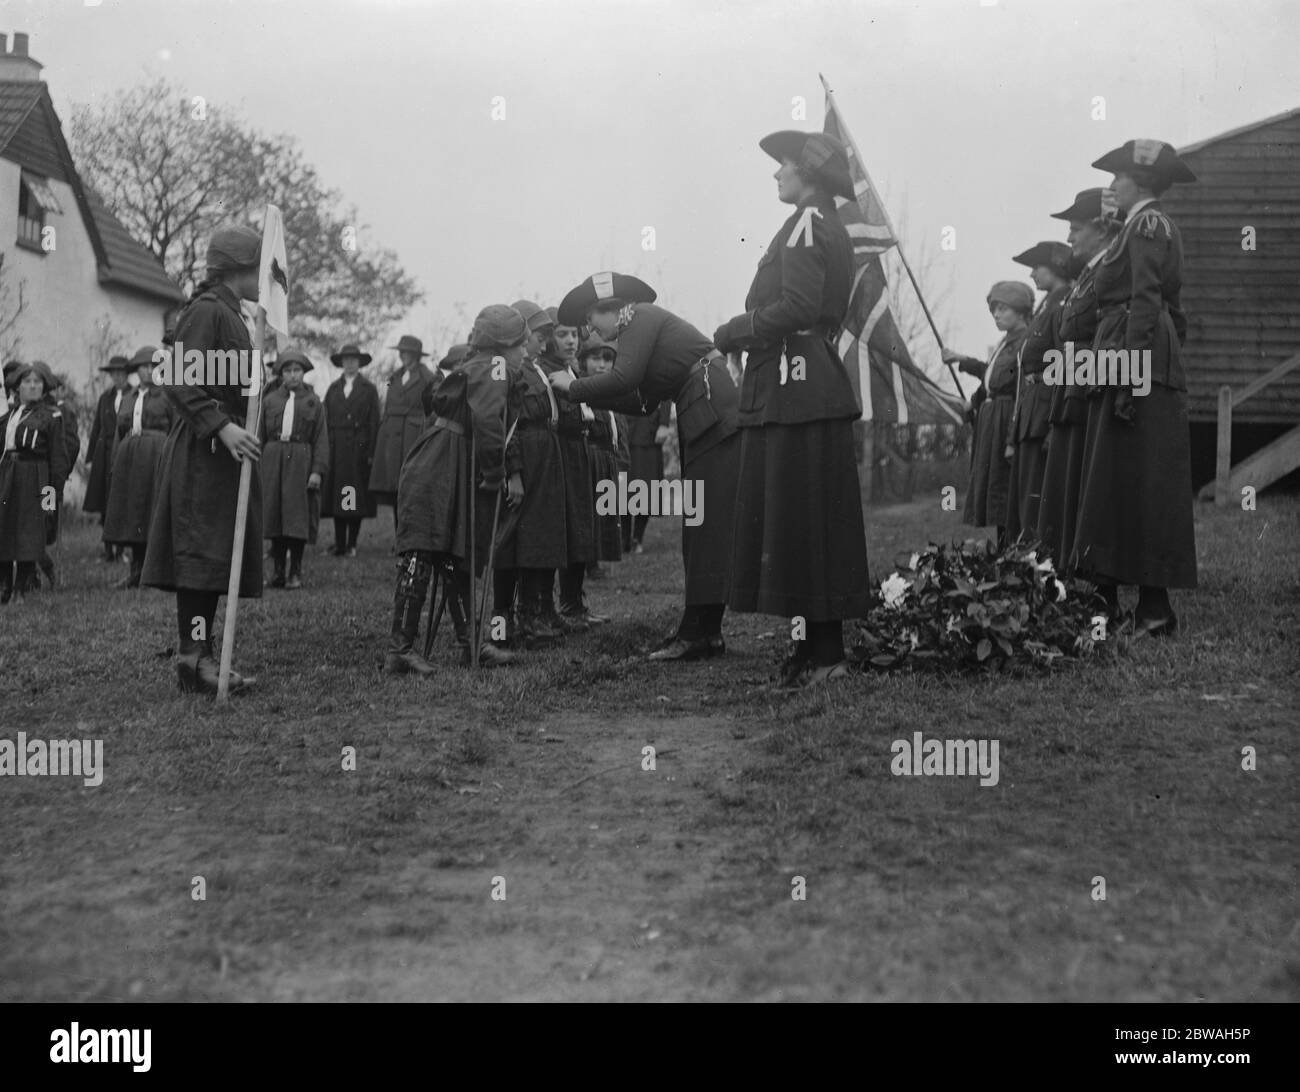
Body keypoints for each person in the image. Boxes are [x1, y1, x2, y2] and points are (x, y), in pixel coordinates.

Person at [713, 128, 869, 688]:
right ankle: (811, 649)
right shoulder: (823, 224)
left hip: (795, 382)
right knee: (799, 520)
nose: (776, 173)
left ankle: (826, 654)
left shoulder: (805, 224)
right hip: (801, 380)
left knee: (805, 519)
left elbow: (799, 304)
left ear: (808, 173)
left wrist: (733, 330)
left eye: (784, 165)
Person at [552, 273, 741, 662]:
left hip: (708, 407)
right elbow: (643, 403)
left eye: (592, 321)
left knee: (705, 524)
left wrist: (573, 389)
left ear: (611, 308)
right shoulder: (639, 327)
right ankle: (704, 630)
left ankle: (697, 633)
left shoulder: (641, 316)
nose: (593, 333)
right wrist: (590, 398)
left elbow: (626, 378)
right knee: (702, 523)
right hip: (702, 407)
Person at [1071, 139, 1198, 637]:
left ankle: (1154, 609)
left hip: (1132, 354)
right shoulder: (1135, 228)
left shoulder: (1146, 225)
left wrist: (1131, 376)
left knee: (1143, 480)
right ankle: (1138, 604)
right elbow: (1172, 311)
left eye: (1117, 179)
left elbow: (1147, 302)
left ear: (1139, 182)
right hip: (1129, 351)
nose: (1111, 186)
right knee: (1121, 477)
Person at [141, 223, 264, 695]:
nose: (264, 279)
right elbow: (176, 378)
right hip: (203, 448)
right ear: (238, 269)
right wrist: (223, 426)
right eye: (259, 268)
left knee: (214, 557)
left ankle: (203, 656)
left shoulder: (237, 316)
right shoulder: (208, 311)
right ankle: (194, 657)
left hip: (225, 451)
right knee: (199, 556)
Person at [384, 306, 524, 674]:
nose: (525, 352)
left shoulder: (478, 362)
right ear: (504, 344)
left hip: (446, 459)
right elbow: (489, 421)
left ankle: (472, 645)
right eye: (520, 344)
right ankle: (400, 649)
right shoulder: (494, 366)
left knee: (454, 555)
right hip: (439, 464)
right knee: (424, 551)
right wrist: (495, 473)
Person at [1037, 189, 1119, 564]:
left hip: (1090, 386)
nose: (1069, 237)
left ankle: (1090, 574)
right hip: (1070, 387)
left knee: (1086, 483)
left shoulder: (1111, 272)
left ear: (1102, 230)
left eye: (1076, 228)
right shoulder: (1088, 275)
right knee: (1066, 483)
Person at [493, 300, 567, 648]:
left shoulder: (535, 368)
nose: (542, 344)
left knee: (541, 538)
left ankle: (537, 610)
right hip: (528, 456)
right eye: (536, 337)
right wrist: (515, 473)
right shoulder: (512, 371)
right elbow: (509, 427)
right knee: (515, 543)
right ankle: (507, 618)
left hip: (546, 456)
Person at [944, 281, 1034, 546]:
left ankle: (1016, 553)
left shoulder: (1025, 343)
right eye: (994, 309)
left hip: (1007, 420)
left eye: (1003, 309)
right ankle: (1005, 552)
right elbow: (992, 376)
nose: (996, 315)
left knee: (1006, 489)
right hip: (991, 420)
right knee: (995, 488)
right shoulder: (1004, 343)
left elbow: (1020, 390)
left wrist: (1011, 439)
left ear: (1020, 312)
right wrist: (964, 365)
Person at [536, 307, 603, 631]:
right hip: (560, 453)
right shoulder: (547, 370)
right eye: (562, 334)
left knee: (580, 526)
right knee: (560, 529)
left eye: (574, 334)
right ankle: (555, 606)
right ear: (549, 338)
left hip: (578, 452)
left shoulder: (571, 370)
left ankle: (575, 603)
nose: (570, 341)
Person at [1005, 241, 1074, 543]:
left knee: (1036, 499)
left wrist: (1052, 426)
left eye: (1037, 266)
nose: (1031, 273)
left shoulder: (1062, 306)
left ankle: (1038, 566)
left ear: (1057, 267)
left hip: (1044, 414)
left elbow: (1064, 366)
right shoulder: (1046, 308)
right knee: (1024, 498)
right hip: (1029, 414)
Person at [103, 346, 174, 590]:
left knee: (152, 512)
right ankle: (135, 570)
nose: (147, 372)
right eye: (142, 367)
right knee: (133, 514)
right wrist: (115, 462)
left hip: (156, 456)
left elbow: (175, 431)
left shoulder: (168, 396)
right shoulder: (129, 397)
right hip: (130, 459)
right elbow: (118, 432)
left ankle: (155, 573)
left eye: (152, 367)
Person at [261, 349, 330, 589]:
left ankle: (295, 572)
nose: (292, 376)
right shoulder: (269, 401)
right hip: (272, 459)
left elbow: (320, 439)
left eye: (297, 371)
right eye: (288, 371)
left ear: (303, 373)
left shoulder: (313, 402)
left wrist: (317, 471)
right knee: (275, 515)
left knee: (296, 516)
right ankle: (278, 571)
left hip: (300, 461)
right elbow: (259, 435)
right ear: (280, 374)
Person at [0, 362, 68, 603]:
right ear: (17, 387)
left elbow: (58, 459)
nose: (32, 386)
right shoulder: (8, 416)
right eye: (27, 382)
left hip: (35, 478)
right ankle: (5, 586)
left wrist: (52, 497)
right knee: (5, 528)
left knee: (29, 532)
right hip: (7, 475)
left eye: (37, 382)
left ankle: (21, 587)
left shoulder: (51, 416)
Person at [369, 333, 435, 536]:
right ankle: (400, 536)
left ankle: (412, 537)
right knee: (396, 490)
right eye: (402, 352)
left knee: (412, 489)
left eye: (408, 353)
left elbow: (431, 410)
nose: (404, 356)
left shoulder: (427, 378)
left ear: (416, 355)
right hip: (392, 439)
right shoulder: (394, 377)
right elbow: (387, 404)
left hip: (413, 437)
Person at [321, 343, 380, 557]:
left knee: (353, 496)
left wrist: (371, 451)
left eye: (354, 360)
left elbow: (375, 422)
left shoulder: (369, 389)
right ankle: (339, 543)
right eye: (346, 360)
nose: (350, 364)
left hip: (358, 447)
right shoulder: (333, 389)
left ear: (359, 363)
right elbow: (325, 421)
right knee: (339, 496)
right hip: (337, 449)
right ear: (341, 363)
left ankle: (352, 544)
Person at [578, 333, 626, 572]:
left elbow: (617, 431)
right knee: (589, 512)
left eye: (607, 359)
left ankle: (595, 558)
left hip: (607, 457)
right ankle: (588, 561)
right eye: (595, 359)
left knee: (604, 509)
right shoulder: (581, 389)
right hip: (590, 457)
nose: (602, 365)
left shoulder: (611, 393)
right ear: (583, 361)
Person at [84, 354, 133, 562]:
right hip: (104, 456)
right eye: (114, 373)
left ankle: (122, 550)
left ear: (127, 374)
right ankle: (108, 550)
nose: (118, 377)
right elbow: (97, 427)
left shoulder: (135, 395)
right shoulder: (105, 397)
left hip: (125, 451)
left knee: (122, 500)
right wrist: (90, 458)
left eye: (121, 373)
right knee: (105, 501)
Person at [622, 402, 671, 553]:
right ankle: (624, 540)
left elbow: (667, 389)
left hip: (649, 430)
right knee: (623, 491)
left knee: (647, 489)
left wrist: (664, 423)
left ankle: (637, 538)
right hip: (625, 428)